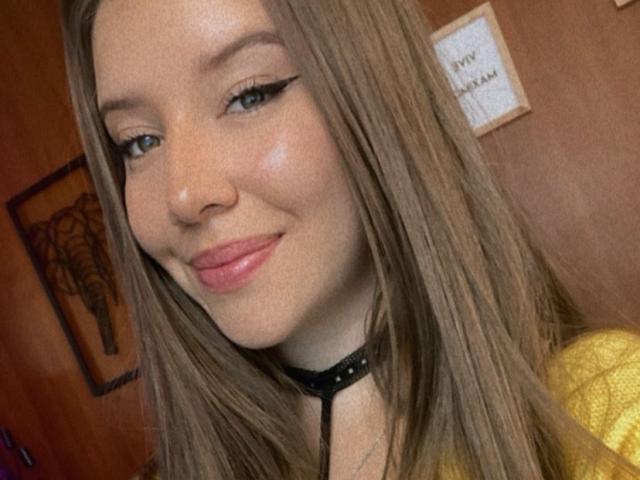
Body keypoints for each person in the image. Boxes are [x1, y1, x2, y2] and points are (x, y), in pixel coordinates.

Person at [59, 0, 640, 479]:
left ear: (376, 94)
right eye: (138, 141)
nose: (183, 194)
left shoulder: (607, 416)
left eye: (250, 94)